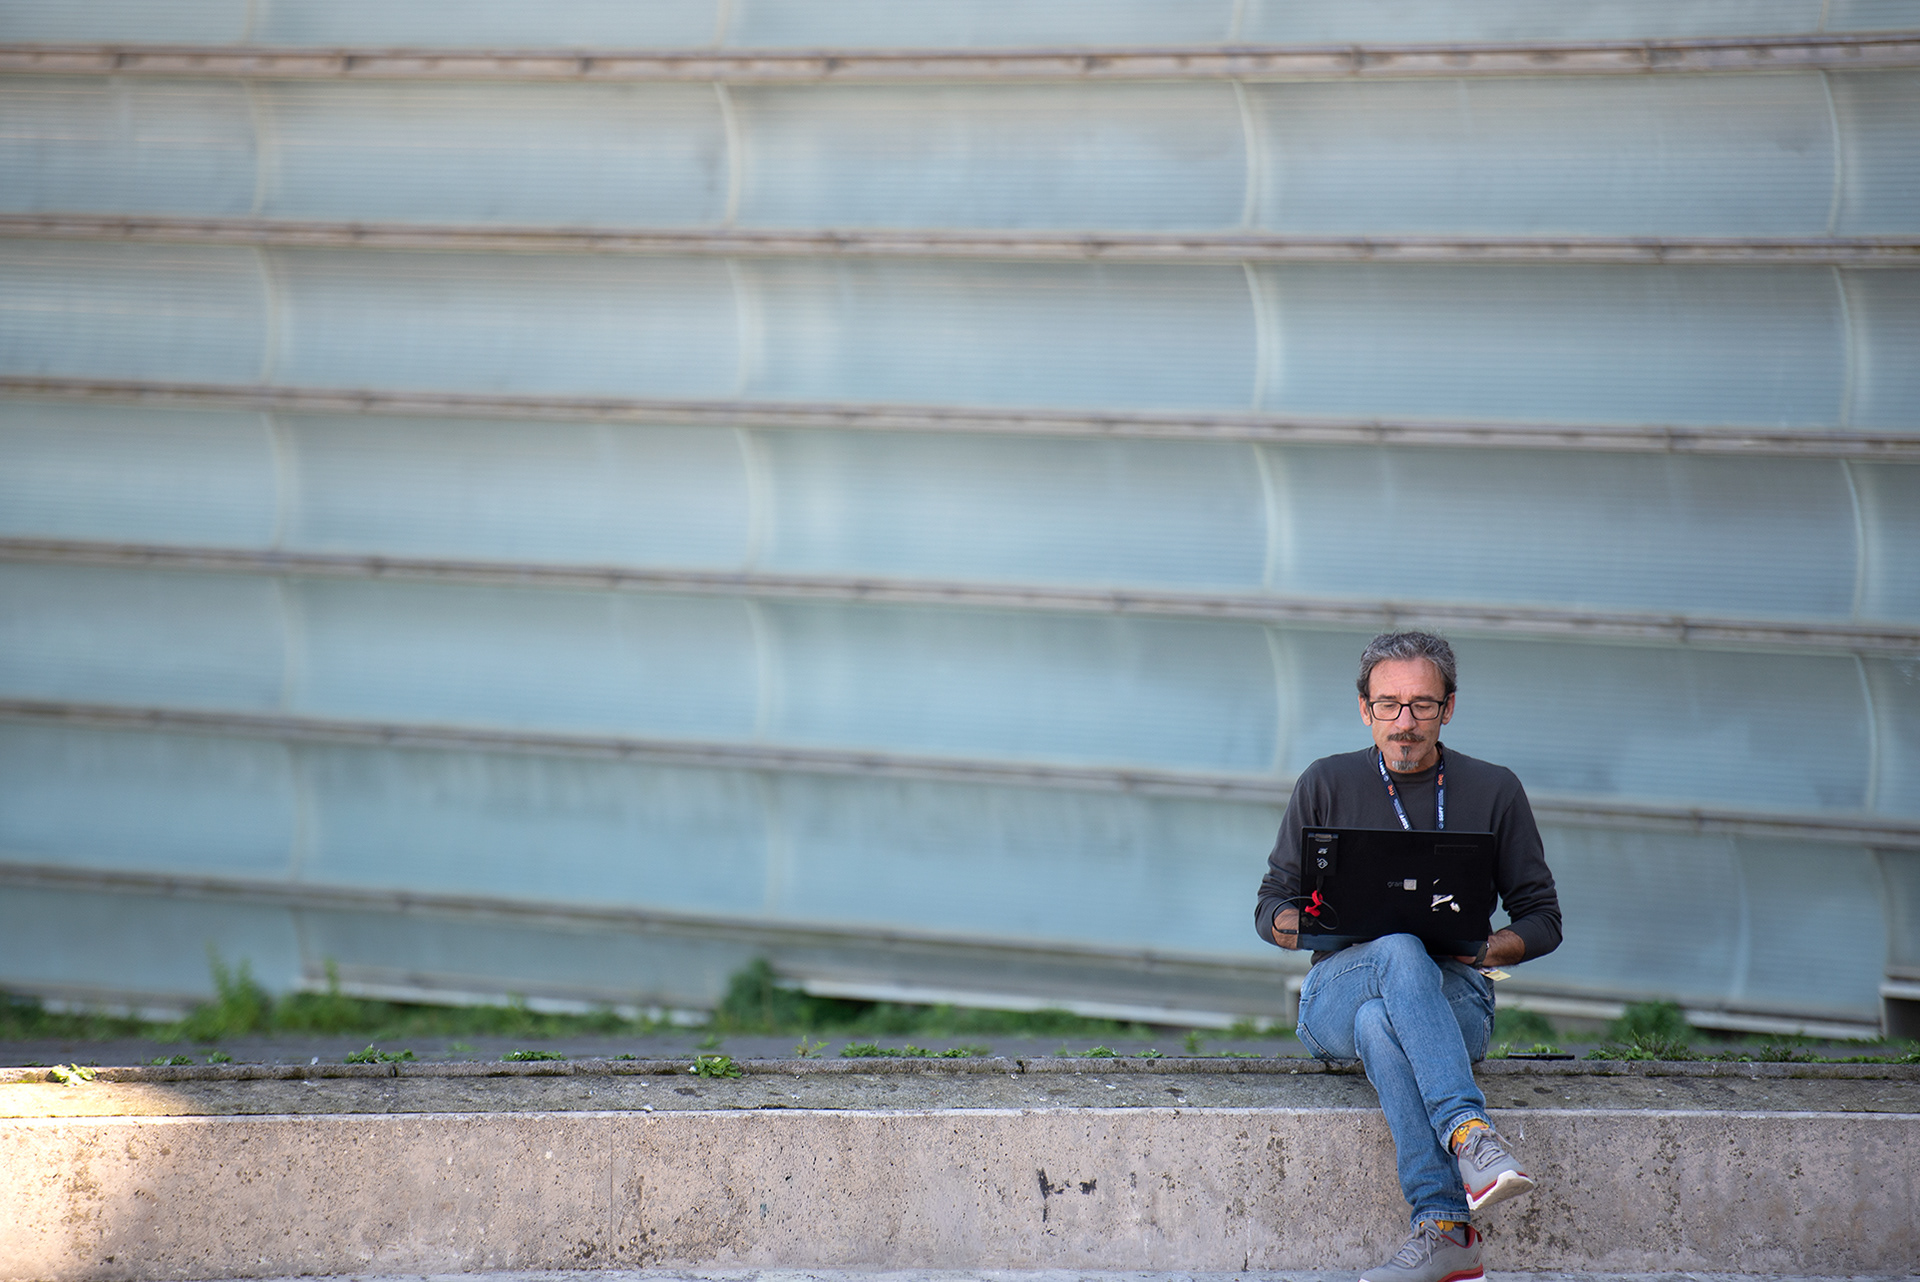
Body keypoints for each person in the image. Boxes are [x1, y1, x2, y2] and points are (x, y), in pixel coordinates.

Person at [1255, 631, 1562, 1282]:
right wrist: (1309, 925)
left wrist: (1485, 948)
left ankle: (1446, 1230)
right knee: (1395, 948)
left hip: (1453, 998)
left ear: (1448, 708)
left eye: (1422, 705)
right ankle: (1470, 1134)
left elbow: (1543, 918)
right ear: (1363, 708)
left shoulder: (1495, 789)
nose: (1405, 721)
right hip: (1339, 992)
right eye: (1389, 704)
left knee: (1381, 1022)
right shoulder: (1325, 781)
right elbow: (1271, 906)